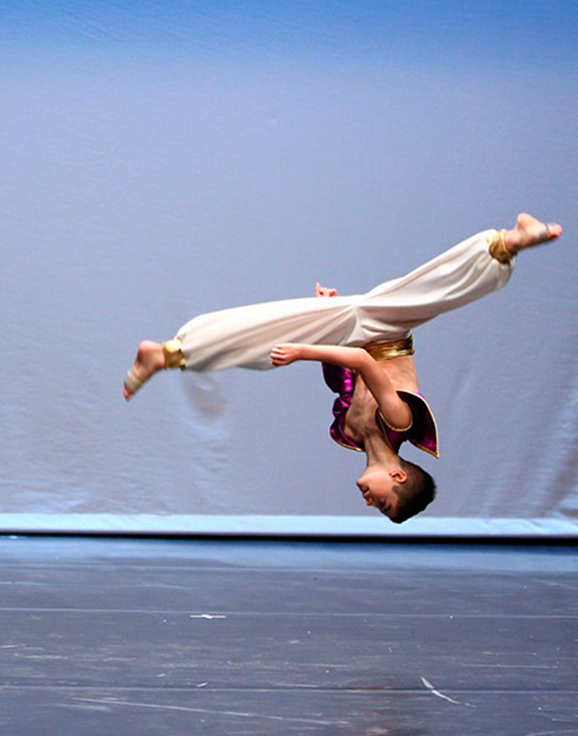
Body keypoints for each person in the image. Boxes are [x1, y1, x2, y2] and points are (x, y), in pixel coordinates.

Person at [123, 213, 563, 523]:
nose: (372, 504)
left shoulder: (351, 435)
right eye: (386, 504)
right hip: (384, 332)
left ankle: (170, 354)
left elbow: (345, 374)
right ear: (398, 475)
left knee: (260, 342)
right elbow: (363, 362)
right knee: (434, 290)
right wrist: (305, 349)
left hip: (355, 330)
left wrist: (325, 321)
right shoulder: (400, 422)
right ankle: (510, 243)